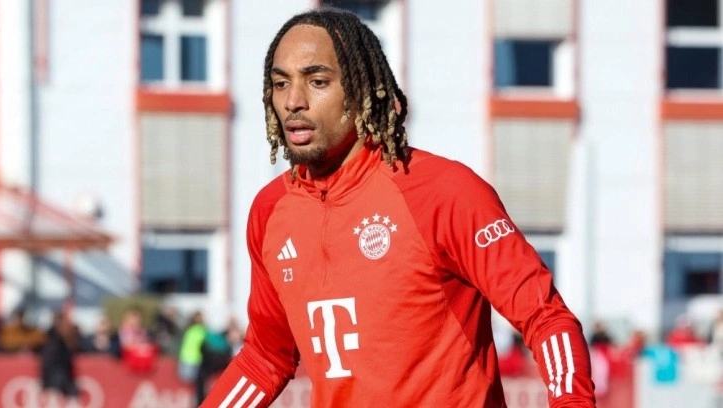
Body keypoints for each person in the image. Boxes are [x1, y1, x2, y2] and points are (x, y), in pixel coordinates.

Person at [202, 8, 595, 407]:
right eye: (280, 83)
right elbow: (265, 359)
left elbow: (546, 316)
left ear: (361, 89)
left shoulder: (442, 191)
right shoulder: (271, 211)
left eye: (318, 81)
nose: (293, 101)